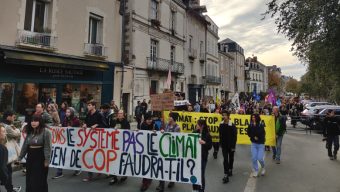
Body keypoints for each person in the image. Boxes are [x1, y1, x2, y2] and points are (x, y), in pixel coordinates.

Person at [17, 114, 52, 192]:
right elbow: (25, 145)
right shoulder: (30, 131)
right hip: (30, 157)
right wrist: (20, 158)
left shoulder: (46, 132)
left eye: (36, 121)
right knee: (29, 179)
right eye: (32, 121)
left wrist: (47, 160)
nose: (33, 123)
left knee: (38, 179)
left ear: (40, 121)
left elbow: (48, 147)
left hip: (40, 157)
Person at [82, 101, 107, 182]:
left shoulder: (100, 114)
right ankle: (90, 175)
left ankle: (100, 170)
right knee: (89, 156)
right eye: (87, 105)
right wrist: (85, 124)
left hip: (97, 139)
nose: (88, 107)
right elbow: (86, 122)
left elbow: (104, 125)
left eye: (89, 105)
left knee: (98, 155)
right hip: (89, 138)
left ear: (93, 106)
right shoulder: (88, 114)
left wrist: (97, 125)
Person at [52, 107, 81, 179]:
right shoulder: (65, 119)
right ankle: (59, 172)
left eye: (69, 112)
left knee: (73, 155)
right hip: (65, 140)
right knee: (61, 154)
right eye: (66, 112)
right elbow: (63, 125)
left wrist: (72, 127)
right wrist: (61, 126)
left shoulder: (76, 120)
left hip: (73, 141)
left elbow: (78, 130)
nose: (67, 113)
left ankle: (77, 169)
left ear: (72, 113)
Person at [156, 115, 180, 192]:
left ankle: (172, 181)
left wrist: (165, 134)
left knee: (171, 167)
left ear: (174, 119)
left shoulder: (177, 128)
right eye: (169, 117)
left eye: (170, 117)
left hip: (172, 150)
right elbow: (163, 134)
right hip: (164, 149)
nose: (169, 118)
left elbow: (174, 138)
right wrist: (162, 132)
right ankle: (161, 184)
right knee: (162, 166)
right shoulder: (166, 125)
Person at [109, 110, 130, 185]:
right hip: (115, 143)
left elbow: (128, 132)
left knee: (122, 160)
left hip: (123, 144)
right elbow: (109, 130)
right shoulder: (114, 121)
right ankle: (114, 177)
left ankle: (124, 174)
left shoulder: (126, 122)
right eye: (119, 113)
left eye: (121, 113)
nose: (120, 115)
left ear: (123, 115)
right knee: (113, 160)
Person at [192, 119, 212, 192]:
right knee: (194, 173)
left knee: (201, 174)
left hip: (203, 157)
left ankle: (201, 189)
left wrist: (204, 143)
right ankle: (195, 189)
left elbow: (210, 146)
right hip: (194, 157)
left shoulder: (207, 135)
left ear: (202, 126)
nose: (196, 125)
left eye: (197, 124)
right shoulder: (194, 132)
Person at [219, 111, 237, 183]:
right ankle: (226, 174)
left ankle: (230, 169)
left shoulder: (232, 125)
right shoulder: (221, 124)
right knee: (225, 159)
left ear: (228, 116)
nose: (224, 116)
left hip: (231, 145)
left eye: (225, 115)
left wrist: (233, 146)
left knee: (231, 158)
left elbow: (234, 136)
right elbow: (220, 134)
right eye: (223, 115)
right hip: (224, 145)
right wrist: (220, 143)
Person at [139, 114, 154, 191]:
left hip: (153, 148)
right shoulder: (143, 125)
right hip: (144, 148)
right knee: (145, 165)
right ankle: (145, 182)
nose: (150, 121)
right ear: (145, 120)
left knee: (151, 164)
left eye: (150, 119)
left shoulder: (154, 125)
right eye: (148, 119)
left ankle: (149, 178)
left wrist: (158, 131)